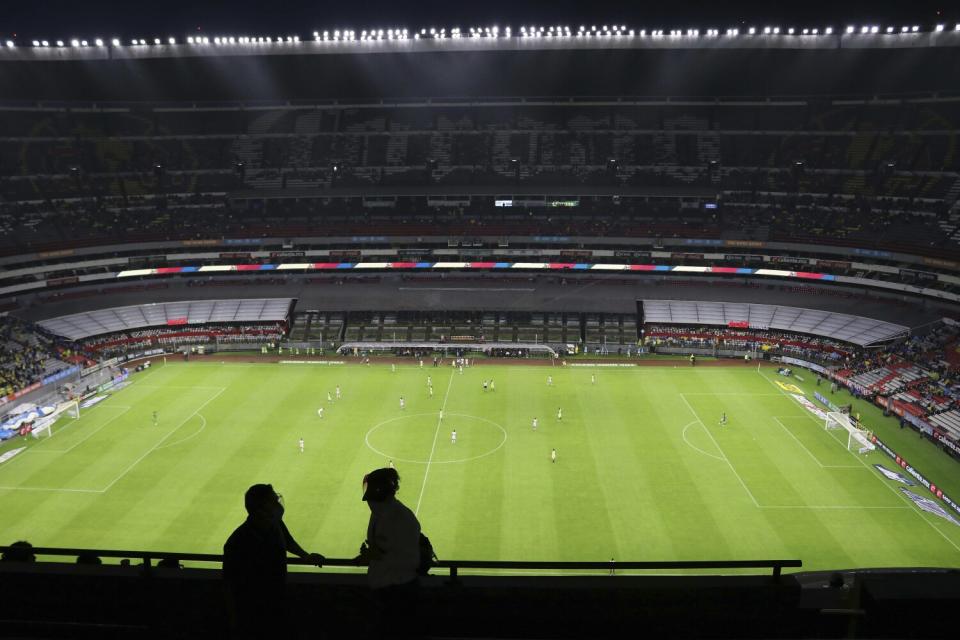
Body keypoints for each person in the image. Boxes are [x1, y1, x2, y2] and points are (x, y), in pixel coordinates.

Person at [223, 484, 324, 639]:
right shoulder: (238, 542)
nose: (277, 504)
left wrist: (305, 556)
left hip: (277, 602)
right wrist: (234, 621)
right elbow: (229, 584)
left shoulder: (274, 524)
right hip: (253, 611)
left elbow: (288, 541)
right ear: (261, 509)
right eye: (273, 501)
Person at [356, 468, 422, 639]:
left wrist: (375, 555)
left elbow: (409, 560)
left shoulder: (399, 518)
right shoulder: (381, 513)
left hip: (398, 593)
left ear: (378, 491)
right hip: (386, 589)